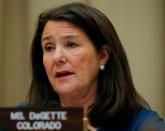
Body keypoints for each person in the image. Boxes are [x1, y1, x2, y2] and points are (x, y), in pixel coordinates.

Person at [26, 2, 165, 131]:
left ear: (102, 56)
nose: (57, 57)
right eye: (49, 47)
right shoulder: (25, 120)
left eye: (71, 44)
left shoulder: (142, 124)